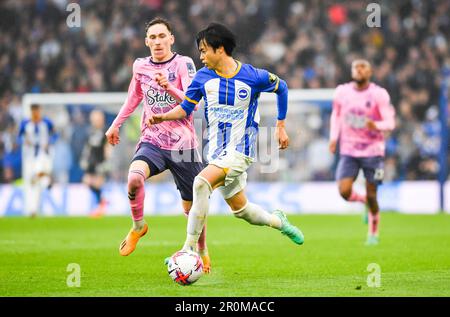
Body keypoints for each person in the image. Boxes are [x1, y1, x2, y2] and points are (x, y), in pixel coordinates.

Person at [149, 22, 304, 258]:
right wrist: (163, 116)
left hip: (241, 149)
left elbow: (281, 87)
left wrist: (280, 127)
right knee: (241, 210)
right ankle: (279, 222)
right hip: (217, 153)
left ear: (219, 49)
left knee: (201, 183)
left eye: (203, 50)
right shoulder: (202, 78)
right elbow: (185, 108)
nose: (200, 56)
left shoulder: (252, 76)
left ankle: (189, 249)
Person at [104, 17, 211, 272]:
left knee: (193, 207)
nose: (157, 41)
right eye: (152, 37)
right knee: (134, 179)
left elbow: (191, 103)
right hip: (152, 139)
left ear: (171, 38)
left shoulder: (184, 64)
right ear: (146, 41)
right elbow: (133, 98)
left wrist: (170, 86)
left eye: (162, 36)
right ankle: (139, 226)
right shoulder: (140, 66)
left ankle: (202, 249)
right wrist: (116, 124)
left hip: (184, 145)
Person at [329, 59, 396, 245]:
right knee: (344, 191)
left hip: (373, 151)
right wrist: (334, 138)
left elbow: (390, 122)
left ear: (370, 72)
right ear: (351, 72)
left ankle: (373, 233)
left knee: (373, 194)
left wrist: (375, 125)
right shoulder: (342, 92)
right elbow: (336, 116)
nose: (358, 70)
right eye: (355, 67)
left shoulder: (379, 94)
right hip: (349, 149)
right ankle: (364, 202)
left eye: (363, 67)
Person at [18, 104, 57, 217]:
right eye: (33, 111)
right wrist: (24, 141)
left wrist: (50, 141)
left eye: (37, 111)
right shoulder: (25, 123)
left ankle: (47, 177)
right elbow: (19, 137)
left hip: (44, 154)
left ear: (39, 111)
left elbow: (55, 134)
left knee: (38, 172)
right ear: (31, 111)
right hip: (30, 156)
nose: (35, 113)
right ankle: (33, 209)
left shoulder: (46, 122)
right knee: (33, 184)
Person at [80, 109, 111, 218]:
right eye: (94, 119)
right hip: (91, 161)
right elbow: (88, 147)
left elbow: (108, 147)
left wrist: (107, 162)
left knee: (97, 183)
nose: (95, 121)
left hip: (100, 161)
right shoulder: (90, 131)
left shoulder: (106, 131)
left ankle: (100, 206)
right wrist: (84, 159)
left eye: (98, 119)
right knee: (87, 181)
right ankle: (102, 202)